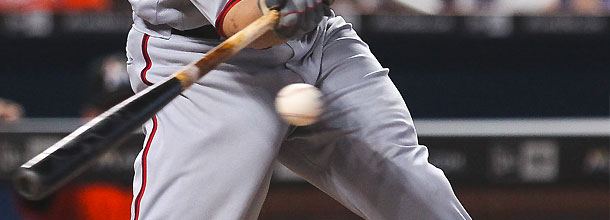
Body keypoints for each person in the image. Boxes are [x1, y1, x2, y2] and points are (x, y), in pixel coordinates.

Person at [126, 0, 471, 219]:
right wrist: (275, 9)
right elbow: (244, 25)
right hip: (209, 66)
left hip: (317, 39)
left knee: (419, 194)